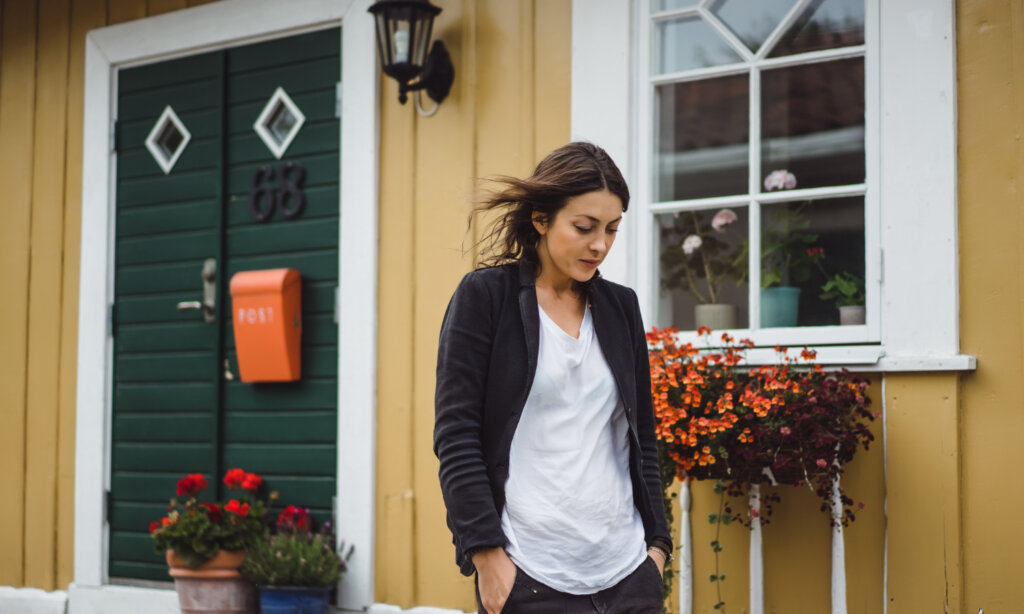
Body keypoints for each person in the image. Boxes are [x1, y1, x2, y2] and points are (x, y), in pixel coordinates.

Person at [434, 142, 673, 614]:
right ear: (541, 219)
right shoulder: (486, 298)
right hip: (530, 576)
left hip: (627, 574)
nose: (600, 244)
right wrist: (486, 556)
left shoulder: (620, 307)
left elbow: (640, 432)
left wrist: (657, 550)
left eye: (612, 229)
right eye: (584, 227)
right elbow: (457, 436)